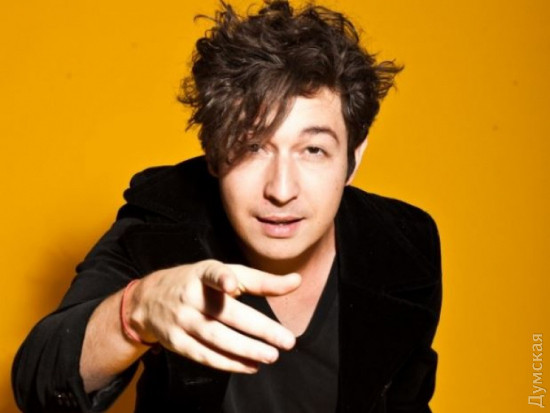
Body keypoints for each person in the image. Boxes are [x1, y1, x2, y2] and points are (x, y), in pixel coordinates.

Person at [12, 1, 442, 412]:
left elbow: (406, 402)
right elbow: (39, 384)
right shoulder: (163, 223)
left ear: (353, 158)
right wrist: (137, 309)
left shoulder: (404, 244)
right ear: (214, 153)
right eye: (252, 146)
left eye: (313, 150)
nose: (281, 190)